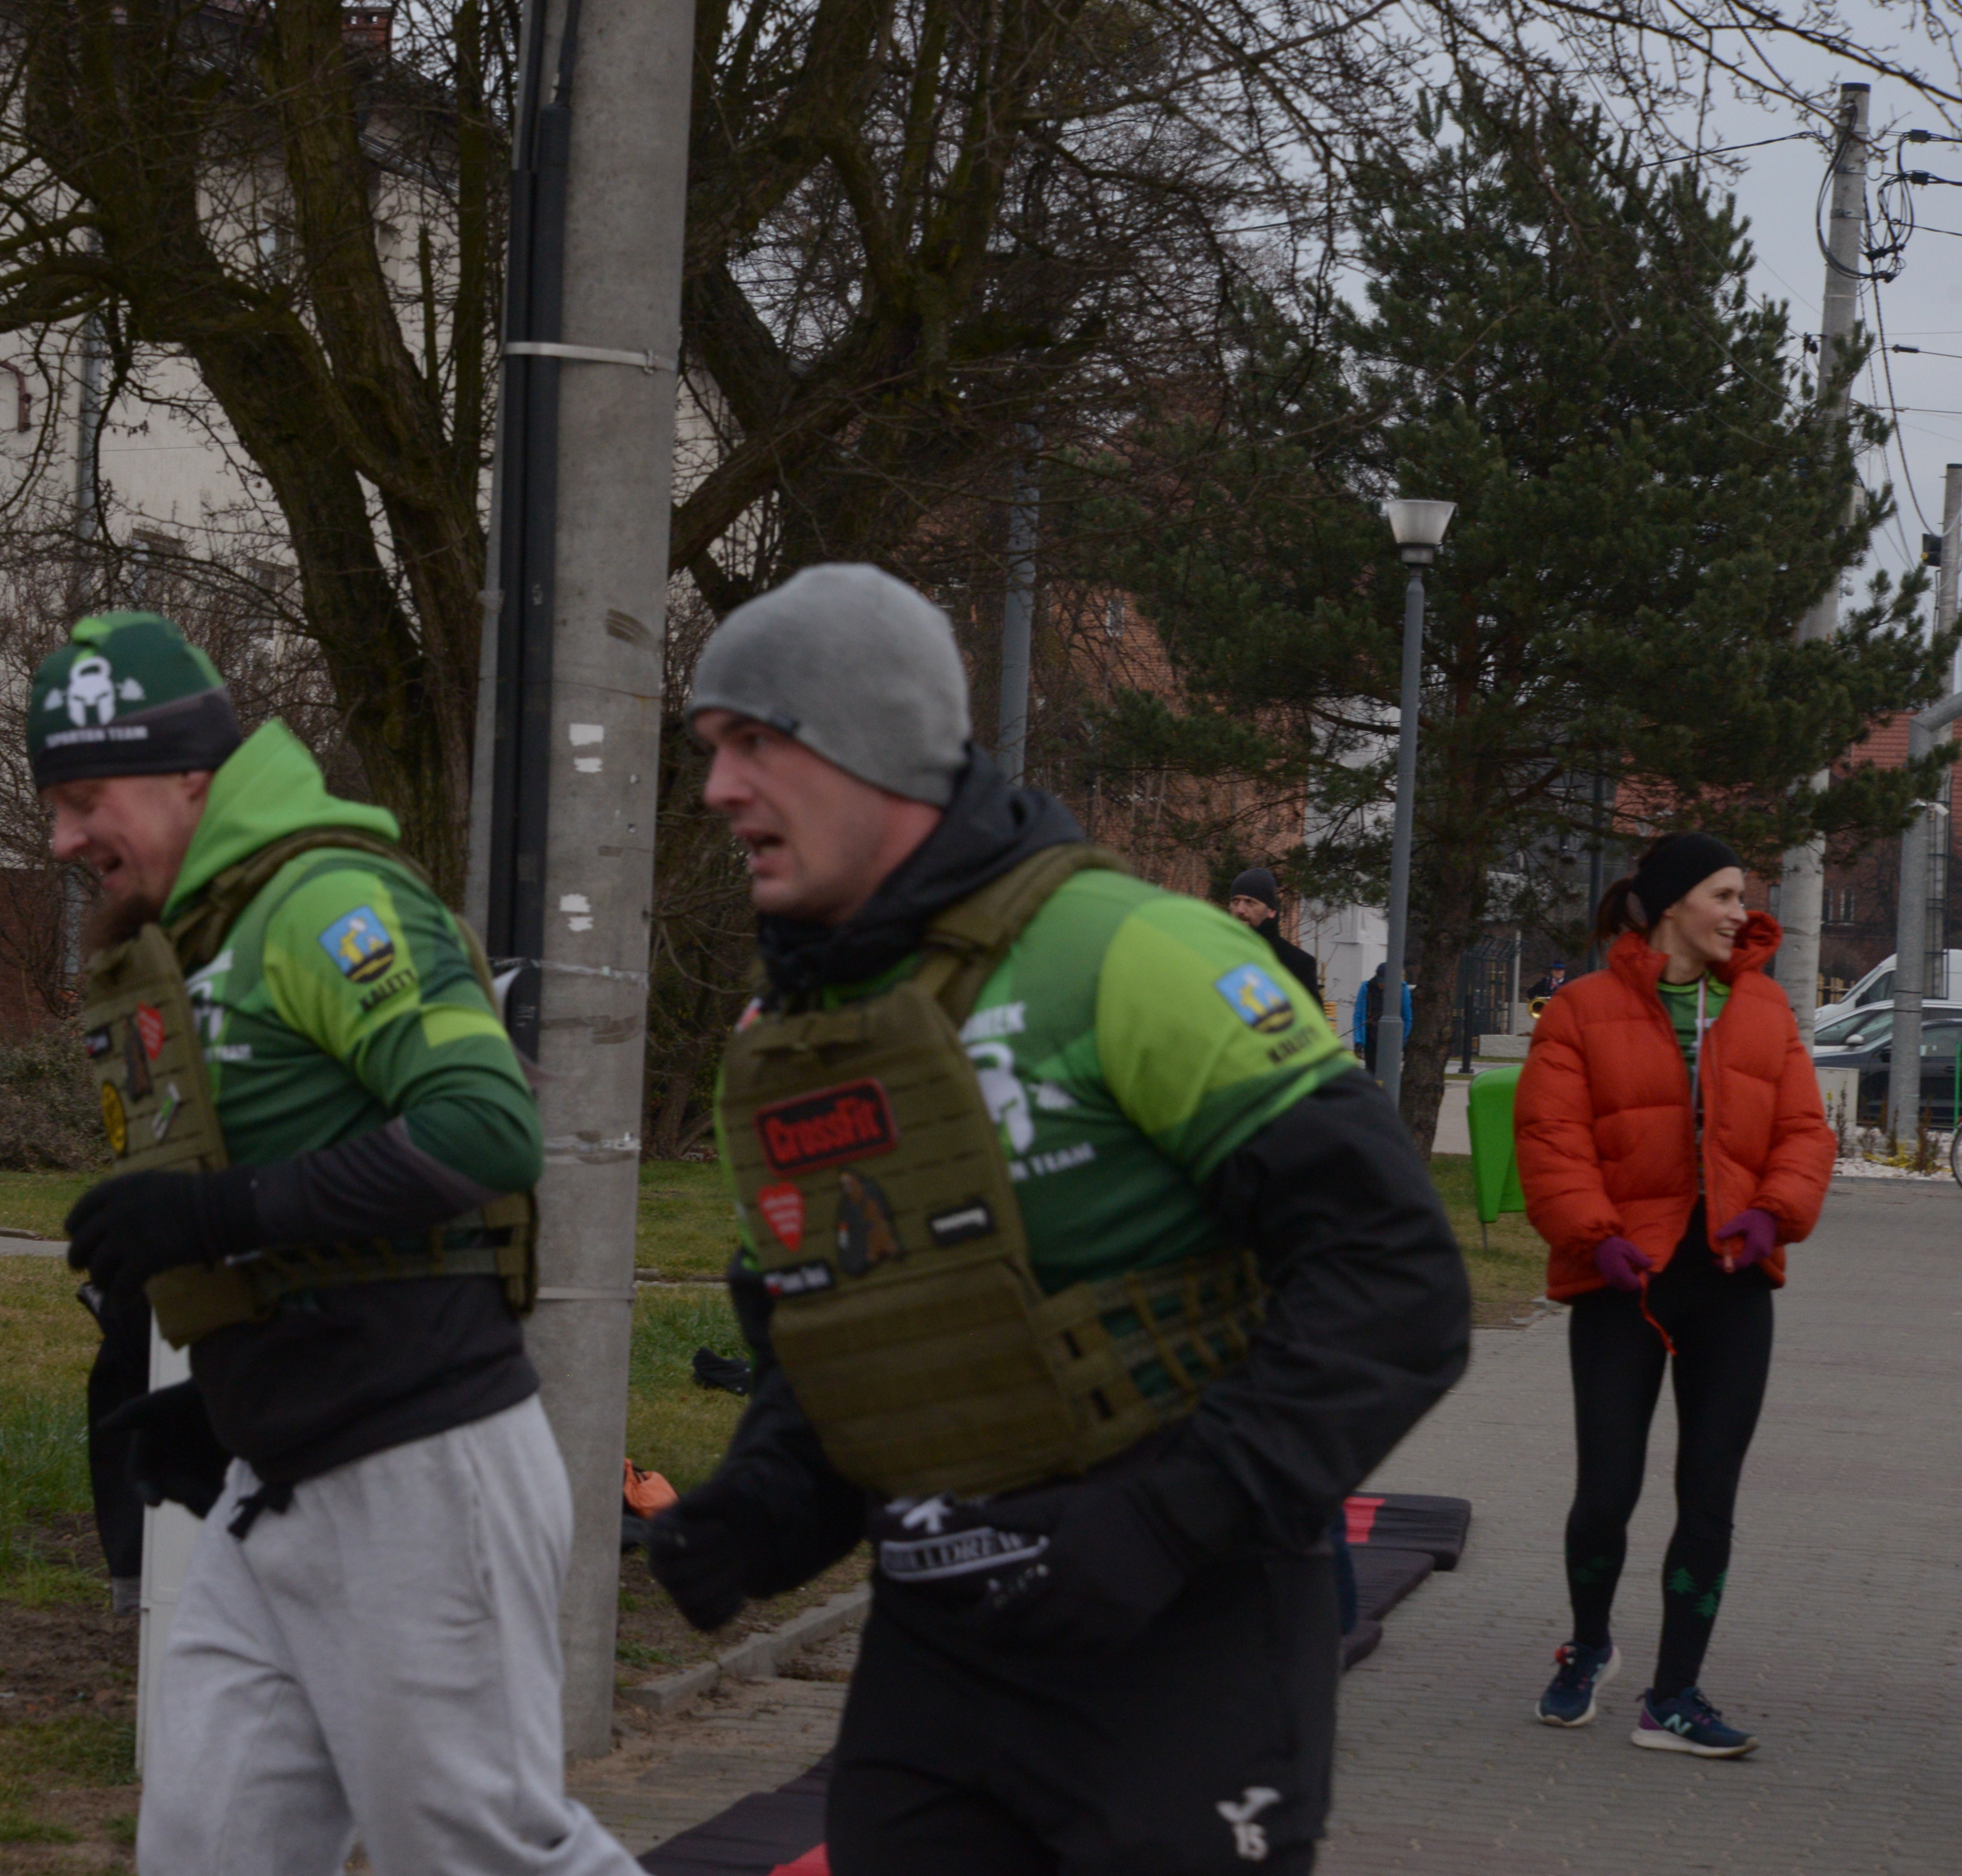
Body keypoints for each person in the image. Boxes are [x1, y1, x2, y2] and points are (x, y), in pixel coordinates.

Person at [645, 564, 1472, 1874]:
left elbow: (1397, 1283)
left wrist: (1164, 1521)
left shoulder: (1135, 952)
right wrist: (757, 1514)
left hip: (1185, 1645)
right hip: (937, 1657)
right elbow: (834, 1349)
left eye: (755, 743)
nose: (718, 791)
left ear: (874, 749)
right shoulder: (784, 1034)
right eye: (709, 751)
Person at [33, 611, 640, 1876]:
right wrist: (226, 1390)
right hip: (282, 1475)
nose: (64, 838)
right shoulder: (204, 943)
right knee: (204, 1848)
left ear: (190, 774)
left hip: (424, 1462)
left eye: (88, 798)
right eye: (57, 804)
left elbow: (485, 1131)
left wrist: (218, 1219)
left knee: (485, 1853)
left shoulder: (329, 904)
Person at [1515, 831, 1831, 1758]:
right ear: (1668, 906)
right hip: (1623, 1280)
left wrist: (1773, 1214)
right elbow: (1549, 1141)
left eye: (1742, 896)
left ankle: (1673, 1695)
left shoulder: (1764, 1008)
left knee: (1707, 1496)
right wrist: (1594, 1235)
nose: (1739, 912)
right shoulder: (1578, 1010)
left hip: (1730, 1286)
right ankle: (1586, 1648)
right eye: (1723, 894)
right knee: (1604, 1490)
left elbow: (1804, 1133)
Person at [1227, 866, 1322, 1007]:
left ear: (1271, 911)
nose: (1240, 910)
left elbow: (1312, 1025)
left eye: (1250, 902)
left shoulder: (1298, 964)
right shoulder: (1216, 953)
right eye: (1236, 901)